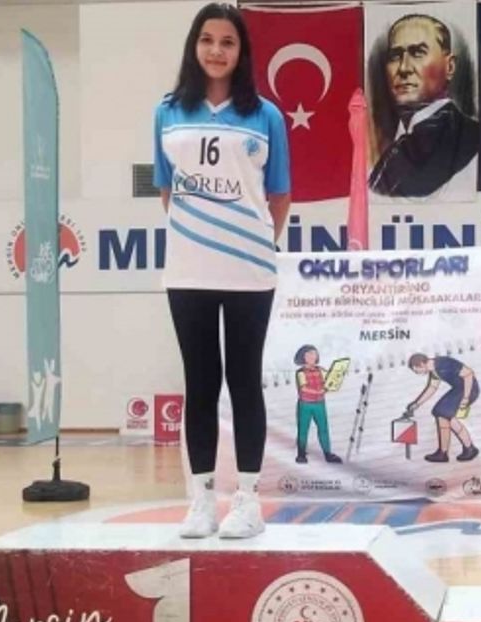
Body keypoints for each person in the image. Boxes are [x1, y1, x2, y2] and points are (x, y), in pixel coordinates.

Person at [153, 3, 290, 540]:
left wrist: (255, 245)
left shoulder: (267, 116)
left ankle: (249, 502)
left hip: (250, 270)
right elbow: (167, 189)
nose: (216, 50)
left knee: (244, 380)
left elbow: (279, 194)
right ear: (194, 46)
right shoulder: (167, 112)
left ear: (241, 51)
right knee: (200, 382)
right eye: (207, 39)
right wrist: (199, 238)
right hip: (187, 270)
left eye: (227, 41)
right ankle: (202, 501)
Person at [367, 13, 478, 198]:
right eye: (395, 56)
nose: (404, 68)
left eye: (417, 53)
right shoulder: (392, 142)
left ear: (450, 67)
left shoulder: (469, 136)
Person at [404, 352, 479, 462]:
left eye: (417, 370)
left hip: (469, 389)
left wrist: (466, 398)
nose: (417, 373)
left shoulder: (444, 363)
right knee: (441, 414)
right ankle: (444, 453)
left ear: (421, 364)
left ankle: (467, 448)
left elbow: (468, 374)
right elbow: (432, 388)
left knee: (442, 413)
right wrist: (417, 403)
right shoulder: (434, 370)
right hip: (458, 390)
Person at [294, 345, 342, 465]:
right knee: (303, 430)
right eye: (308, 354)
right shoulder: (300, 372)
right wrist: (319, 391)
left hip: (319, 404)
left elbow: (330, 381)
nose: (312, 357)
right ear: (302, 357)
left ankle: (328, 453)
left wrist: (335, 378)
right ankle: (301, 454)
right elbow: (303, 388)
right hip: (305, 405)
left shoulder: (321, 370)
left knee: (323, 429)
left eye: (314, 354)